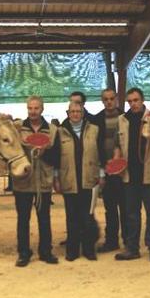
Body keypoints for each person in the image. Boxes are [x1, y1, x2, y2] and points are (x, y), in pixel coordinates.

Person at [114, 87, 150, 262]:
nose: (133, 104)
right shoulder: (122, 120)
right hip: (129, 174)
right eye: (130, 101)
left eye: (136, 100)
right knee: (131, 213)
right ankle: (132, 247)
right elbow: (117, 144)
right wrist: (117, 164)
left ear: (142, 100)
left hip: (149, 172)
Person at [53, 101, 103, 261]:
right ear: (68, 113)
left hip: (89, 180)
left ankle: (89, 249)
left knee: (87, 217)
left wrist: (101, 174)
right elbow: (56, 157)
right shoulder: (60, 132)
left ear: (83, 113)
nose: (75, 114)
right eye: (72, 111)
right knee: (72, 217)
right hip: (69, 180)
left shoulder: (94, 130)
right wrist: (56, 177)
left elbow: (101, 154)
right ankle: (72, 251)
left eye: (78, 111)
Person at [13, 96, 59, 267]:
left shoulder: (53, 130)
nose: (33, 111)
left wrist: (45, 153)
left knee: (44, 218)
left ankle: (46, 251)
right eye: (30, 108)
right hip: (22, 182)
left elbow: (57, 156)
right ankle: (23, 253)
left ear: (42, 109)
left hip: (43, 182)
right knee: (23, 219)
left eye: (36, 108)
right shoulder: (17, 128)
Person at [92, 88, 126, 253]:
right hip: (106, 171)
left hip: (124, 172)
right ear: (102, 101)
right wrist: (100, 171)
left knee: (126, 208)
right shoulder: (96, 120)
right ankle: (111, 241)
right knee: (110, 209)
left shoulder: (126, 118)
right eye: (106, 99)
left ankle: (128, 240)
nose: (109, 101)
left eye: (112, 98)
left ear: (117, 99)